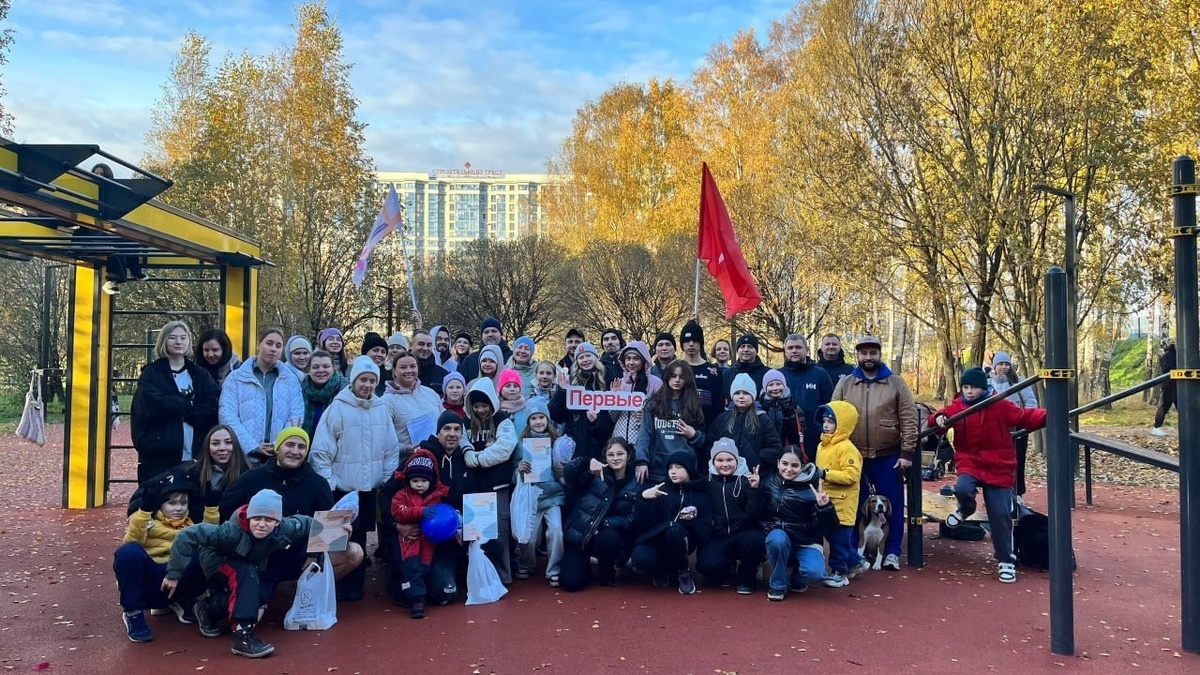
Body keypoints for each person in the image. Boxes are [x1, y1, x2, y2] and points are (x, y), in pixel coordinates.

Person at [165, 489, 331, 658]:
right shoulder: (230, 532)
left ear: (278, 522)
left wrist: (315, 553)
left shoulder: (288, 528)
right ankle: (243, 636)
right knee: (245, 574)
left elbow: (315, 525)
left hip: (248, 562)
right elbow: (187, 535)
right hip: (216, 560)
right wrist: (173, 575)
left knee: (256, 592)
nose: (261, 524)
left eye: (268, 520)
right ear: (249, 517)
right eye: (256, 518)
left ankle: (208, 609)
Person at [931, 368, 1047, 584]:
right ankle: (965, 509)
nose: (969, 391)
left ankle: (1006, 560)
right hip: (970, 462)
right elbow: (938, 419)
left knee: (1000, 514)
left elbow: (1023, 416)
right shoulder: (958, 406)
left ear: (983, 388)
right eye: (966, 387)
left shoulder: (999, 404)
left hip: (998, 465)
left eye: (974, 388)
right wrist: (939, 418)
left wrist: (1048, 415)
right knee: (963, 488)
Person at [218, 428, 364, 586]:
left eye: (301, 447)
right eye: (290, 445)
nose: (295, 451)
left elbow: (328, 527)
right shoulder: (251, 478)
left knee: (354, 552)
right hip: (258, 555)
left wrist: (316, 553)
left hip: (300, 555)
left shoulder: (318, 484)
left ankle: (304, 591)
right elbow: (224, 511)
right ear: (278, 447)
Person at [309, 355, 404, 599]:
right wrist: (330, 483)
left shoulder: (381, 409)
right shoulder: (338, 408)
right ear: (353, 381)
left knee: (359, 537)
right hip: (340, 488)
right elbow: (321, 450)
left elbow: (391, 448)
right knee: (333, 540)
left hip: (368, 488)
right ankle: (330, 586)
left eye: (372, 380)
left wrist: (385, 478)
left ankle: (355, 586)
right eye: (363, 379)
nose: (367, 385)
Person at [831, 335, 917, 571]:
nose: (868, 357)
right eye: (864, 353)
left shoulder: (896, 383)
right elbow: (834, 416)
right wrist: (836, 450)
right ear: (857, 355)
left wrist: (907, 452)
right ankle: (851, 551)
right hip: (854, 455)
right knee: (852, 505)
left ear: (880, 354)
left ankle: (891, 552)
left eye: (872, 353)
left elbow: (909, 417)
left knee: (892, 505)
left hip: (888, 455)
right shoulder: (845, 383)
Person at [378, 411, 471, 607]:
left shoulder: (466, 459)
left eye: (457, 429)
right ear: (438, 432)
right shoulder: (421, 457)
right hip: (413, 533)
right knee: (407, 592)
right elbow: (386, 493)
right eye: (446, 429)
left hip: (446, 537)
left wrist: (463, 528)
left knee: (443, 594)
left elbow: (473, 498)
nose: (452, 434)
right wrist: (396, 525)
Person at [114, 471, 210, 642]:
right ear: (160, 504)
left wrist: (211, 508)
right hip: (152, 583)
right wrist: (144, 511)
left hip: (178, 582)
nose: (179, 508)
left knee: (203, 552)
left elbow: (211, 536)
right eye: (172, 503)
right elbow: (132, 541)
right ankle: (133, 613)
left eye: (183, 503)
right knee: (128, 552)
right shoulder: (145, 522)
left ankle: (183, 601)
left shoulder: (191, 525)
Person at [131, 320, 220, 482]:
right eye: (172, 337)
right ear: (164, 341)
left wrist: (180, 408)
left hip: (195, 456)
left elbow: (211, 406)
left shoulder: (200, 374)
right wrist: (188, 406)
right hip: (159, 458)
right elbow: (153, 407)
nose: (178, 342)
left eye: (183, 337)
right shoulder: (152, 374)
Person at [559, 438, 641, 591]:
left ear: (628, 455)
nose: (615, 458)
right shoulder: (594, 474)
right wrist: (587, 462)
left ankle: (607, 570)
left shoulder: (636, 481)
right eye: (611, 454)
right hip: (582, 535)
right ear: (605, 457)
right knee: (570, 583)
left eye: (620, 454)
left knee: (609, 537)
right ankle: (585, 567)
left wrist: (603, 524)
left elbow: (632, 519)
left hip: (610, 536)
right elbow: (569, 473)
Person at [219, 326, 305, 466]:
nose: (273, 349)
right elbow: (227, 415)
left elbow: (296, 414)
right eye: (269, 343)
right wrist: (251, 446)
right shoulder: (236, 378)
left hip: (278, 457)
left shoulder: (291, 380)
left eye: (278, 346)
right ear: (259, 344)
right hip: (242, 457)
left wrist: (278, 443)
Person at [630, 450, 711, 594]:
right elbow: (642, 525)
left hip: (683, 540)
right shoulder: (659, 490)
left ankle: (684, 573)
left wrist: (690, 522)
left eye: (679, 467)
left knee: (674, 531)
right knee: (641, 558)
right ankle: (662, 569)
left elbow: (705, 532)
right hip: (657, 540)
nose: (673, 471)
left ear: (689, 469)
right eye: (670, 468)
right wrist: (643, 500)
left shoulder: (700, 494)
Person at [761, 450, 838, 600]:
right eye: (784, 464)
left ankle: (798, 579)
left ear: (802, 467)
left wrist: (824, 508)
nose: (788, 469)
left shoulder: (812, 489)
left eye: (794, 465)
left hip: (806, 542)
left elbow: (829, 528)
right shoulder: (768, 483)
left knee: (815, 573)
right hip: (780, 540)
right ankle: (778, 585)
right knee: (776, 539)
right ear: (778, 463)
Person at [463, 377, 519, 583]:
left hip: (498, 485)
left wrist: (478, 458)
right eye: (476, 406)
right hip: (475, 486)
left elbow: (505, 448)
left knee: (501, 530)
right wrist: (467, 451)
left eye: (484, 405)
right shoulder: (465, 422)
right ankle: (479, 574)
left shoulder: (503, 420)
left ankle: (503, 574)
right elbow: (461, 441)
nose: (481, 410)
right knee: (476, 531)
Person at [696, 438, 765, 594]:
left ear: (737, 460)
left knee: (756, 540)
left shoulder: (747, 481)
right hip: (717, 535)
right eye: (720, 460)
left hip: (742, 532)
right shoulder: (707, 481)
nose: (725, 464)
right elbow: (685, 483)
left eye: (729, 459)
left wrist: (755, 490)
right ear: (713, 462)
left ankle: (746, 579)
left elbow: (754, 515)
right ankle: (727, 568)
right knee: (707, 566)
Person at [389, 448, 449, 618]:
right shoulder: (402, 495)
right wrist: (420, 511)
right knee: (411, 569)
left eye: (424, 480)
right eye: (415, 481)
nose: (420, 484)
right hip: (409, 542)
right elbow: (398, 511)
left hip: (428, 543)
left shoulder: (436, 496)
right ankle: (417, 601)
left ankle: (415, 595)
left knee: (424, 568)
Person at [515, 398, 569, 585]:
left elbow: (564, 470)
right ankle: (526, 563)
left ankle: (554, 568)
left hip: (553, 496)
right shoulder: (521, 444)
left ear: (548, 419)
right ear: (528, 421)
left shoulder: (557, 442)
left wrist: (563, 469)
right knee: (529, 537)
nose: (538, 422)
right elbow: (514, 469)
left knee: (556, 532)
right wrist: (519, 470)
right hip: (532, 496)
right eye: (534, 418)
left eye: (542, 417)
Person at [814, 402, 868, 588]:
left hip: (843, 504)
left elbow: (852, 475)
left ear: (842, 425)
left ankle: (840, 572)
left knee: (839, 540)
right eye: (824, 421)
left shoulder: (847, 448)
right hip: (826, 501)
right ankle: (856, 562)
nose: (826, 425)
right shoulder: (822, 446)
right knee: (833, 538)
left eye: (831, 422)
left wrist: (825, 474)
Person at [635, 359, 706, 483]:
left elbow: (703, 440)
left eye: (681, 377)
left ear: (687, 379)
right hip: (656, 469)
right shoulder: (653, 405)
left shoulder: (694, 405)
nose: (677, 380)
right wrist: (641, 461)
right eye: (673, 376)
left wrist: (694, 435)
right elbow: (644, 435)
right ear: (667, 377)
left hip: (684, 470)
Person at [550, 343, 615, 462]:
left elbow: (611, 419)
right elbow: (556, 415)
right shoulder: (570, 382)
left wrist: (596, 421)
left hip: (598, 446)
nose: (585, 360)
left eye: (588, 356)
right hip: (574, 444)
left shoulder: (608, 380)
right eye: (581, 357)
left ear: (595, 357)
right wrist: (562, 392)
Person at [711, 373, 783, 475]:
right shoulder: (722, 418)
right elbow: (711, 443)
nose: (741, 396)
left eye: (745, 393)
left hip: (754, 474)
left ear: (753, 396)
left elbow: (774, 447)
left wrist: (758, 460)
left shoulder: (762, 419)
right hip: (726, 473)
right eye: (737, 393)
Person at [778, 334, 834, 461]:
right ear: (785, 351)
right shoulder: (778, 375)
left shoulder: (820, 374)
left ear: (807, 350)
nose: (794, 351)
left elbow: (830, 407)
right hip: (784, 437)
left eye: (798, 347)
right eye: (790, 348)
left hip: (814, 438)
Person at [990, 351, 1038, 496]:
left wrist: (1025, 420)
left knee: (1017, 460)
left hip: (1017, 427)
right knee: (995, 461)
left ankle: (1017, 493)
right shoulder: (988, 383)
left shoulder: (1019, 381)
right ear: (994, 366)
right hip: (994, 427)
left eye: (1007, 364)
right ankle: (995, 494)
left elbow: (1031, 403)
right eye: (1000, 364)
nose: (1004, 367)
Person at [384, 354, 444, 452]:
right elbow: (382, 440)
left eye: (412, 366)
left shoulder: (430, 393)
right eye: (403, 367)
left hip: (437, 455)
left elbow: (445, 421)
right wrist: (405, 448)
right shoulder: (387, 401)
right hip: (406, 459)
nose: (409, 371)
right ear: (394, 372)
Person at [609, 341, 662, 445]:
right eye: (628, 359)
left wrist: (647, 417)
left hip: (643, 440)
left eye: (636, 359)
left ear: (644, 361)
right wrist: (615, 397)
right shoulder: (620, 383)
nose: (631, 363)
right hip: (619, 439)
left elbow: (662, 412)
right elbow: (614, 418)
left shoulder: (656, 382)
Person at [679, 320, 724, 424]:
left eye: (695, 340)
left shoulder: (713, 371)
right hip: (679, 426)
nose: (691, 344)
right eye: (687, 341)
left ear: (701, 343)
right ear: (682, 344)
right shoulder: (675, 369)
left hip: (706, 427)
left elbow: (718, 405)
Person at [300, 350, 347, 437]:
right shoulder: (300, 389)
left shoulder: (345, 391)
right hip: (303, 442)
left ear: (333, 368)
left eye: (326, 366)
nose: (321, 370)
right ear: (308, 370)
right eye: (315, 367)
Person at [759, 368, 805, 452]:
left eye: (778, 384)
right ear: (765, 388)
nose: (775, 388)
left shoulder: (793, 406)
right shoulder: (760, 407)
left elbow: (800, 431)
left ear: (784, 385)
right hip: (767, 450)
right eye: (771, 385)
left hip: (788, 449)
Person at [720, 334, 770, 407]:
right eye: (742, 346)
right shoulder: (728, 373)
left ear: (756, 350)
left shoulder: (767, 373)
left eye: (750, 347)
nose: (746, 350)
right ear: (737, 350)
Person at [458, 317, 512, 382]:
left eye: (494, 331)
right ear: (482, 336)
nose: (490, 334)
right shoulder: (469, 360)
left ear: (501, 334)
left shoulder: (511, 357)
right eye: (486, 332)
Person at [412, 329, 449, 396]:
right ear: (411, 345)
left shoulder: (443, 375)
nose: (425, 348)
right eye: (421, 344)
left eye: (428, 345)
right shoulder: (402, 372)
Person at [1152, 340, 1177, 437]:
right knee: (1164, 406)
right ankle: (1157, 427)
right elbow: (1167, 370)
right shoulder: (1167, 356)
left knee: (1183, 407)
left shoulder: (1179, 355)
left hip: (1179, 385)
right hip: (1169, 385)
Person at [362, 331, 391, 396]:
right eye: (375, 350)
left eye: (383, 352)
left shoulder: (390, 378)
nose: (379, 354)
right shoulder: (354, 374)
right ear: (365, 352)